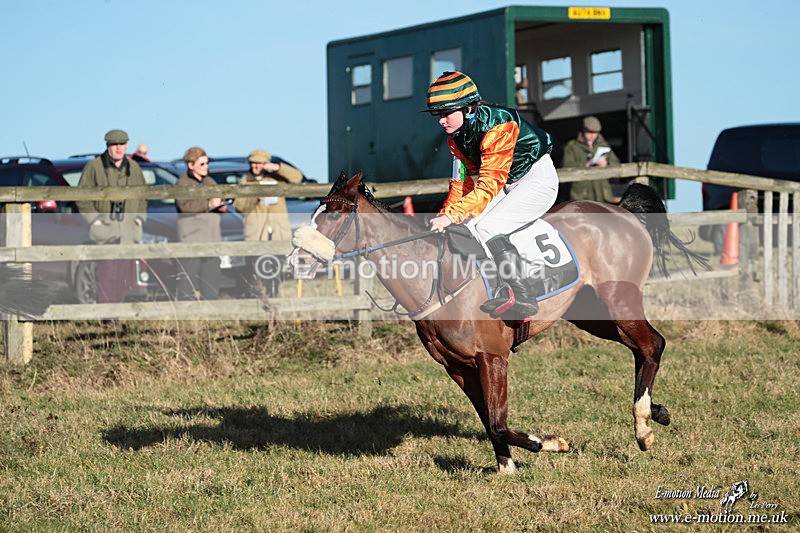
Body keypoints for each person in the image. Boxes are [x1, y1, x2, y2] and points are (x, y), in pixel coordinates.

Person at [424, 71, 559, 319]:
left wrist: (451, 216)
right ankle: (499, 286)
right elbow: (460, 185)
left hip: (537, 179)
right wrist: (445, 216)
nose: (441, 121)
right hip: (509, 183)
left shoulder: (498, 126)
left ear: (467, 109)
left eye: (446, 113)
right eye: (438, 115)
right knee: (470, 224)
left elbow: (488, 184)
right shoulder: (455, 140)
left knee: (488, 226)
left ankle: (524, 297)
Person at [75, 129, 147, 310]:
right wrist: (94, 220)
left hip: (128, 231)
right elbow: (81, 196)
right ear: (107, 146)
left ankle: (117, 315)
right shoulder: (94, 167)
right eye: (115, 145)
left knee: (123, 277)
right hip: (105, 230)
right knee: (107, 275)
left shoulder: (134, 168)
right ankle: (107, 317)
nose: (118, 148)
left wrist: (139, 218)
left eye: (122, 144)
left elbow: (143, 196)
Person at [232, 149, 303, 297]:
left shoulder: (277, 179)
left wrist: (277, 168)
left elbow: (297, 177)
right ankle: (257, 302)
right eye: (253, 163)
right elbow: (239, 207)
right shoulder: (245, 182)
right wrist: (254, 198)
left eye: (260, 163)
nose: (256, 167)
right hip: (257, 234)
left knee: (275, 271)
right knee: (257, 272)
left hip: (278, 232)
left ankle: (273, 302)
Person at [174, 147, 227, 300]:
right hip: (191, 238)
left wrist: (221, 207)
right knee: (187, 281)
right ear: (191, 165)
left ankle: (211, 316)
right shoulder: (182, 183)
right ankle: (187, 317)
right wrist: (208, 203)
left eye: (207, 163)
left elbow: (216, 203)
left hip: (211, 238)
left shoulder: (210, 182)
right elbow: (184, 206)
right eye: (202, 164)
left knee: (211, 283)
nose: (206, 167)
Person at [561, 115, 621, 203]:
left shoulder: (604, 145)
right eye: (590, 132)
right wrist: (584, 165)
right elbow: (566, 166)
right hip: (582, 194)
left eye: (595, 133)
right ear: (584, 130)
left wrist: (606, 164)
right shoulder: (572, 146)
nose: (593, 136)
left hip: (602, 193)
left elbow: (616, 164)